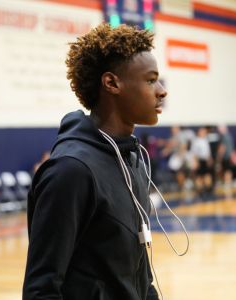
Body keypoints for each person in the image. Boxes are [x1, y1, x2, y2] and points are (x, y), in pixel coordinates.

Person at [23, 23, 167, 300]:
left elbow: (140, 274)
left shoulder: (133, 160)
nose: (161, 91)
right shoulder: (70, 171)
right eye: (150, 80)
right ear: (112, 83)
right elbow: (41, 290)